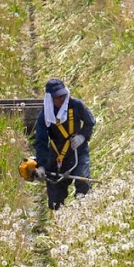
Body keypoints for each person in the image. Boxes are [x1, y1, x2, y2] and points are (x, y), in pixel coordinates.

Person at [33, 77, 95, 210]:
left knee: (83, 181)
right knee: (55, 197)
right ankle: (59, 222)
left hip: (78, 152)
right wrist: (42, 166)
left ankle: (83, 214)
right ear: (50, 98)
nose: (61, 99)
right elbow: (41, 142)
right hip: (56, 155)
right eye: (57, 97)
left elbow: (90, 122)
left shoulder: (76, 105)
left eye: (63, 95)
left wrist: (82, 137)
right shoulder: (45, 115)